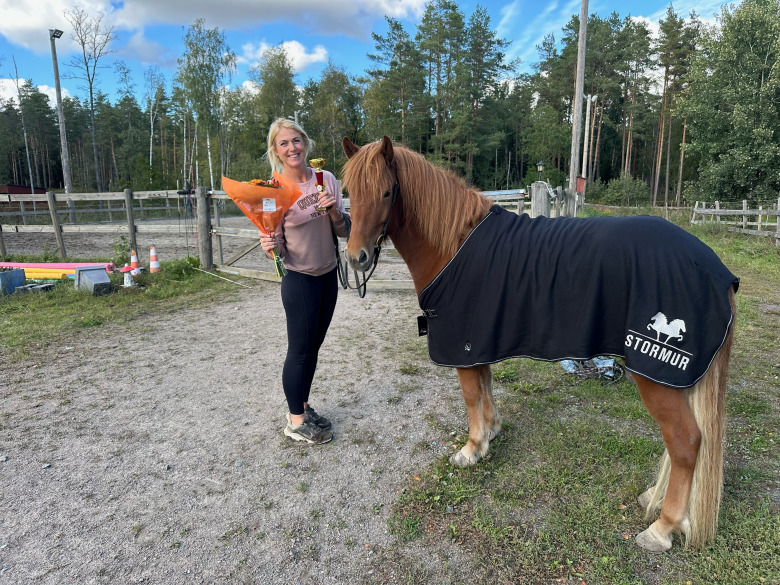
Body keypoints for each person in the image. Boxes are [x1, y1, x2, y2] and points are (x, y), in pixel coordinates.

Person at [259, 118, 349, 445]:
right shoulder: (272, 191)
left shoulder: (326, 179)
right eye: (284, 143)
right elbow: (277, 247)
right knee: (299, 350)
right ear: (276, 150)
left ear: (305, 143)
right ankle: (295, 422)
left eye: (296, 140)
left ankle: (303, 406)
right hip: (300, 279)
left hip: (328, 274)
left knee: (313, 348)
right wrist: (269, 245)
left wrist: (334, 213)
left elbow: (344, 230)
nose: (292, 148)